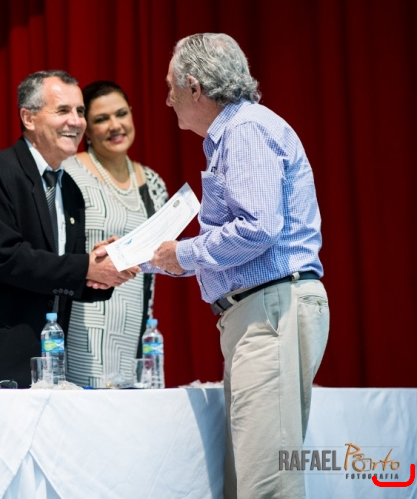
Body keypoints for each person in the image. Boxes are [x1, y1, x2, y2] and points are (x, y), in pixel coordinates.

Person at [139, 33, 329, 498]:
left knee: (267, 483)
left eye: (170, 86)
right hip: (263, 309)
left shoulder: (245, 131)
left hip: (271, 309)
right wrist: (141, 260)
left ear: (194, 86)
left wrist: (182, 254)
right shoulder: (237, 132)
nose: (167, 99)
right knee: (250, 476)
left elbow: (258, 229)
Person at [0, 70, 138, 388]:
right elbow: (4, 257)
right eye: (63, 110)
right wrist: (85, 267)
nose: (76, 121)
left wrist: (104, 269)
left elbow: (59, 275)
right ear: (29, 118)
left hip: (41, 366)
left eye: (80, 111)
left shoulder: (71, 191)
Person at [61, 81, 168, 388]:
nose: (115, 125)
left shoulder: (153, 182)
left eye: (121, 114)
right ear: (86, 128)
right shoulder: (68, 173)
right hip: (83, 321)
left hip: (138, 323)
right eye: (101, 119)